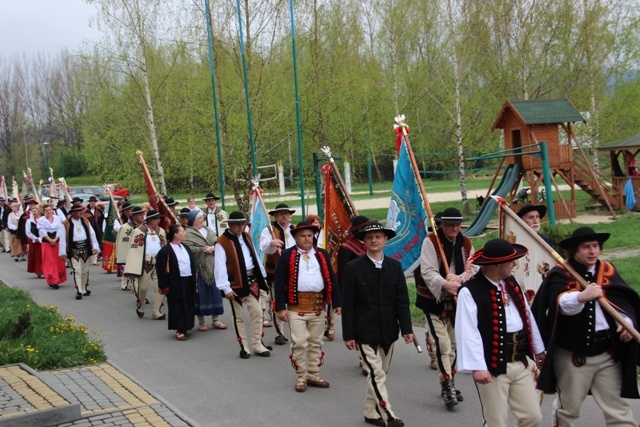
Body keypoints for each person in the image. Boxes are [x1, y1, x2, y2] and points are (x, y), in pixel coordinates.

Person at [532, 227, 640, 426]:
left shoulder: (608, 270)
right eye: (586, 247)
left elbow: (624, 302)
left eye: (596, 246)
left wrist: (627, 323)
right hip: (573, 356)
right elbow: (559, 303)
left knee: (619, 411)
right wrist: (581, 297)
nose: (593, 252)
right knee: (569, 409)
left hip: (607, 354)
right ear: (574, 250)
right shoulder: (561, 273)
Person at [455, 238, 545, 427]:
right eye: (510, 261)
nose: (514, 264)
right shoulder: (470, 291)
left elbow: (527, 316)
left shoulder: (511, 283)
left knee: (532, 417)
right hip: (493, 366)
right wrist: (478, 366)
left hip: (520, 362)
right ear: (496, 265)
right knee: (496, 422)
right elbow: (467, 332)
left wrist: (538, 350)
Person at [342, 221, 414, 427]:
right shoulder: (353, 268)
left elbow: (402, 301)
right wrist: (349, 335)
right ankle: (388, 414)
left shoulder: (395, 266)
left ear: (385, 240)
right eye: (369, 237)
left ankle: (370, 412)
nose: (374, 240)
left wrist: (407, 329)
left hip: (388, 332)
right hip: (364, 331)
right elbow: (348, 305)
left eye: (378, 236)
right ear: (364, 241)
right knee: (376, 373)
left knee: (379, 375)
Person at [417, 207, 477, 407]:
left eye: (458, 224)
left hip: (457, 300)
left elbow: (473, 267)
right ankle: (448, 384)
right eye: (450, 224)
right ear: (441, 224)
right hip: (433, 300)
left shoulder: (466, 243)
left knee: (453, 345)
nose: (454, 228)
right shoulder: (430, 242)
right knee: (441, 344)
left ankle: (448, 382)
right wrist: (444, 283)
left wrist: (459, 279)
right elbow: (428, 270)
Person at [274, 221, 342, 392]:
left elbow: (332, 279)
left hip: (318, 305)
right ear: (295, 237)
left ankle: (313, 375)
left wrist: (337, 302)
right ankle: (300, 377)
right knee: (299, 343)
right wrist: (280, 307)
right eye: (303, 236)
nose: (306, 239)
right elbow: (279, 282)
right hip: (296, 306)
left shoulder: (322, 254)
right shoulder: (287, 255)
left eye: (309, 235)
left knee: (316, 342)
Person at [214, 211, 271, 359]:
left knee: (257, 313)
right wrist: (225, 287)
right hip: (235, 283)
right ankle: (244, 347)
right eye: (237, 224)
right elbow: (219, 266)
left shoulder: (246, 236)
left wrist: (262, 276)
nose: (241, 227)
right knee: (239, 317)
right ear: (230, 225)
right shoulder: (222, 242)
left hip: (252, 280)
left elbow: (254, 255)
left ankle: (257, 344)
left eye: (243, 224)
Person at [335, 215, 370, 372]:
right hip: (355, 294)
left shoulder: (371, 246)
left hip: (371, 293)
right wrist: (343, 298)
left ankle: (371, 355)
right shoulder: (347, 248)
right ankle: (364, 359)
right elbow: (343, 274)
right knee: (361, 328)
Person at [184, 210, 227, 332]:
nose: (202, 220)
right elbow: (188, 248)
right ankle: (201, 322)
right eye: (200, 218)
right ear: (193, 221)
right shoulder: (188, 233)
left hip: (213, 265)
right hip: (199, 268)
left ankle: (216, 320)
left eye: (203, 218)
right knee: (200, 294)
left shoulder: (208, 230)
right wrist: (203, 249)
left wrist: (213, 248)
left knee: (215, 292)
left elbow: (219, 242)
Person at [260, 202, 296, 345]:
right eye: (280, 214)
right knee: (277, 301)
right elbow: (264, 247)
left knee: (293, 301)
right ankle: (279, 333)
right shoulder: (269, 230)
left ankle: (296, 330)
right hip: (275, 271)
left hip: (293, 270)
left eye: (286, 214)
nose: (284, 216)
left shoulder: (294, 230)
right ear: (275, 216)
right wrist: (271, 243)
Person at [156, 224, 197, 341]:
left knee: (188, 302)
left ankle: (187, 325)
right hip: (175, 282)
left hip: (188, 279)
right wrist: (164, 285)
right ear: (176, 235)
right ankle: (179, 329)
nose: (185, 233)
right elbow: (161, 270)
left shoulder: (185, 247)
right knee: (177, 304)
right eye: (182, 231)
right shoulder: (165, 251)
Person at [124, 209, 167, 319]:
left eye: (159, 218)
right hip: (146, 263)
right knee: (143, 288)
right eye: (156, 219)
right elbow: (133, 249)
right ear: (149, 220)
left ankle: (156, 312)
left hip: (159, 262)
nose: (158, 221)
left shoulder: (160, 231)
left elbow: (165, 246)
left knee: (159, 287)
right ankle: (141, 304)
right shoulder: (139, 231)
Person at [61, 205, 99, 300]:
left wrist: (94, 246)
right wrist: (63, 252)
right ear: (73, 212)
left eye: (80, 211)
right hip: (74, 250)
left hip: (86, 249)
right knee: (77, 270)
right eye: (77, 211)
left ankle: (84, 289)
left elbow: (92, 234)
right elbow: (62, 238)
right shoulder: (66, 223)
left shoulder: (86, 221)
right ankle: (78, 290)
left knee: (85, 271)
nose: (80, 212)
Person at [37, 203, 67, 289]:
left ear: (52, 210)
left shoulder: (57, 219)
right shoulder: (41, 220)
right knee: (50, 261)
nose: (48, 212)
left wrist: (56, 238)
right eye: (46, 211)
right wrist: (50, 240)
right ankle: (52, 280)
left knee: (58, 260)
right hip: (47, 242)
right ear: (43, 212)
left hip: (57, 241)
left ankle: (58, 278)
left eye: (49, 210)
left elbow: (60, 229)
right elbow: (42, 231)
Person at [115, 206, 145, 291]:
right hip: (131, 256)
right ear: (134, 216)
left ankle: (140, 293)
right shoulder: (125, 228)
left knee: (142, 278)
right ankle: (139, 295)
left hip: (143, 256)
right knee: (135, 277)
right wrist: (123, 258)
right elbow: (122, 244)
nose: (142, 216)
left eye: (143, 214)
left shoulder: (145, 227)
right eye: (140, 214)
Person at [25, 204, 43, 278]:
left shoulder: (43, 220)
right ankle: (37, 271)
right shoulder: (29, 221)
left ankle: (42, 270)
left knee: (42, 257)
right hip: (34, 241)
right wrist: (34, 238)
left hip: (42, 240)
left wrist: (40, 238)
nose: (34, 213)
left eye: (35, 211)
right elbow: (28, 231)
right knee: (35, 256)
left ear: (39, 212)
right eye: (33, 211)